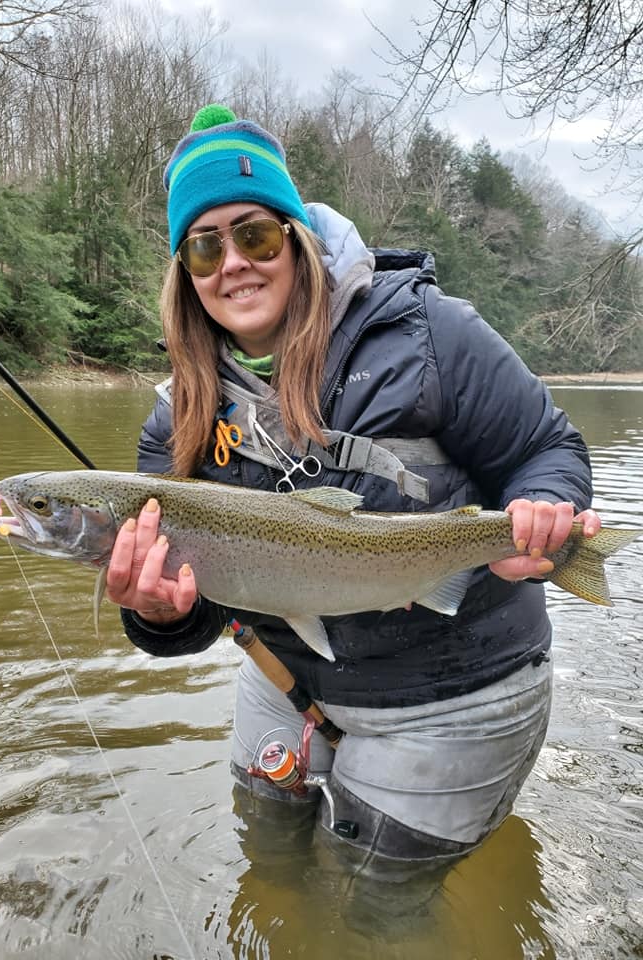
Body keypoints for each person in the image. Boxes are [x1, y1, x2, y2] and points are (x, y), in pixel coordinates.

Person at [106, 103, 601, 874]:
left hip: (455, 684)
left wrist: (542, 519)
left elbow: (548, 448)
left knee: (379, 911)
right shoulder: (176, 414)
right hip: (286, 677)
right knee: (268, 870)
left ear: (296, 238)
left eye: (255, 234)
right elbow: (196, 612)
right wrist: (161, 615)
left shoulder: (428, 334)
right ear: (185, 272)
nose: (232, 261)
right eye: (204, 247)